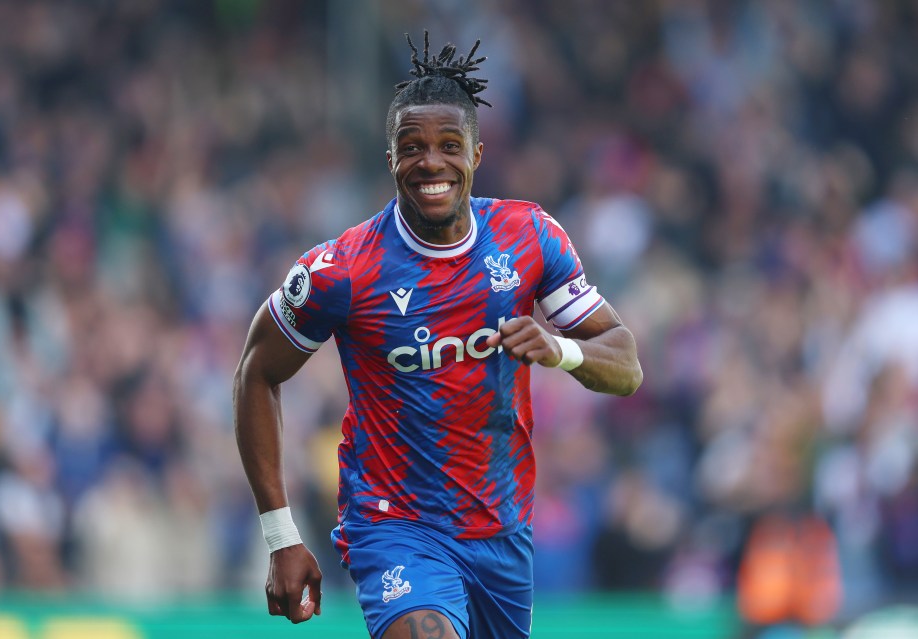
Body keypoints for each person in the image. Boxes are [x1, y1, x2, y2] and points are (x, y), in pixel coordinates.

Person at [234, 31, 643, 639]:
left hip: (502, 530)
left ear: (476, 154)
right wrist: (280, 535)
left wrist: (560, 349)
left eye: (450, 145)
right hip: (394, 525)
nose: (432, 162)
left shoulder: (530, 238)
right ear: (391, 156)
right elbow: (256, 372)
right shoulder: (341, 270)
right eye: (412, 146)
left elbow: (626, 365)